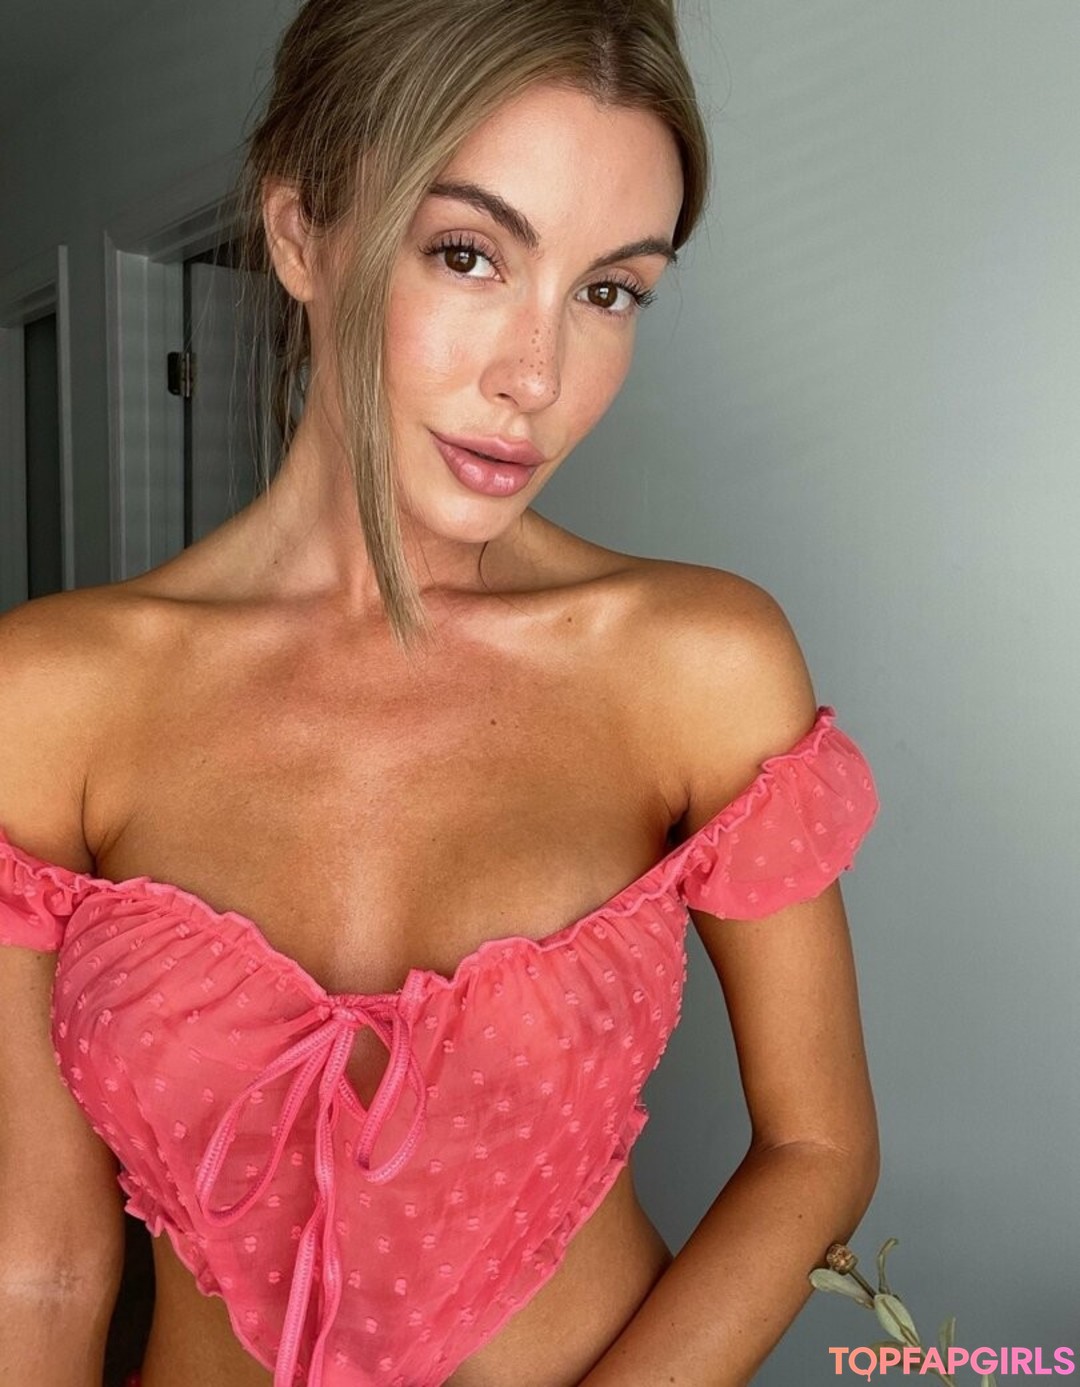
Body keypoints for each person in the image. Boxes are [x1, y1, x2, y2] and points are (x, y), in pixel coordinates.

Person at [0, 1, 881, 1385]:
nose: (538, 377)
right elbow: (44, 1260)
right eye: (469, 254)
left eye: (610, 291)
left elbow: (818, 1146)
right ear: (300, 233)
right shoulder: (50, 697)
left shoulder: (697, 666)